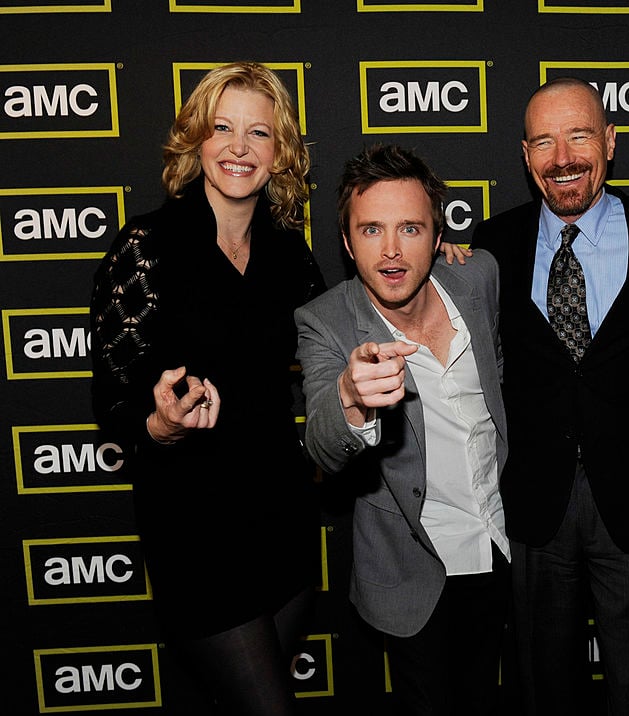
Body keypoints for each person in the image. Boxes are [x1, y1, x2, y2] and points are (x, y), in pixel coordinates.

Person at [446, 77, 629, 715]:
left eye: (579, 136)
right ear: (526, 156)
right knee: (544, 687)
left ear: (610, 141)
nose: (564, 157)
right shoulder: (491, 247)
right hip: (532, 503)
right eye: (545, 142)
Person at [89, 61, 326, 715]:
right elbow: (111, 399)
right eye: (222, 128)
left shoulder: (291, 256)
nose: (238, 147)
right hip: (193, 528)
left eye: (259, 132)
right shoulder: (146, 247)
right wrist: (159, 425)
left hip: (281, 518)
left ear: (280, 152)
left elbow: (343, 337)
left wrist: (439, 262)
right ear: (196, 138)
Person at [294, 144, 509, 716]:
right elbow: (321, 442)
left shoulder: (479, 276)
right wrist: (350, 397)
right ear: (347, 242)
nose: (391, 250)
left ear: (438, 236)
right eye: (371, 230)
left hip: (501, 546)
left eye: (410, 228)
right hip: (413, 569)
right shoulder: (325, 322)